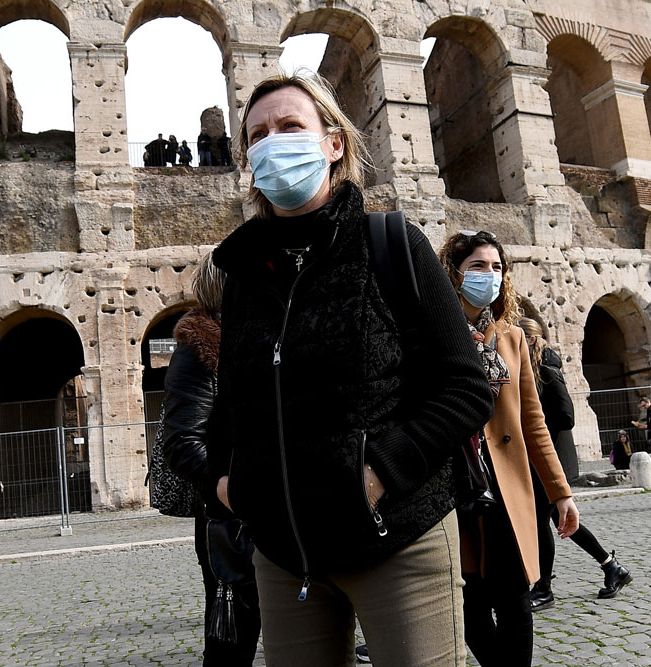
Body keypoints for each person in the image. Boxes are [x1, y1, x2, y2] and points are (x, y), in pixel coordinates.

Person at [206, 70, 494, 666]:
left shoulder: (393, 244)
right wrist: (229, 484)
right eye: (257, 136)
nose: (272, 143)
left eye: (290, 126)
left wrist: (382, 469)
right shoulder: (242, 276)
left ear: (333, 143)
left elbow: (466, 387)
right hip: (285, 554)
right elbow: (232, 404)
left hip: (398, 537)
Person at [438, 231, 579, 666]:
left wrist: (561, 492)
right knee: (470, 602)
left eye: (497, 267)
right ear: (455, 273)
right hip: (455, 484)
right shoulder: (434, 332)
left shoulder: (512, 338)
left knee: (515, 599)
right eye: (478, 266)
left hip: (506, 487)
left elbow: (533, 423)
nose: (490, 275)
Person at [162, 251, 261, 665]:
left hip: (270, 508)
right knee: (232, 641)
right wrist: (228, 489)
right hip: (231, 515)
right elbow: (182, 441)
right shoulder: (198, 350)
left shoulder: (256, 340)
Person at [519, 317, 633, 609]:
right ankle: (612, 566)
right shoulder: (533, 369)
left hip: (554, 458)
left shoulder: (547, 370)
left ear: (530, 339)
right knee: (560, 520)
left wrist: (537, 429)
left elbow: (567, 416)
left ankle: (543, 588)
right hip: (543, 460)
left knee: (543, 521)